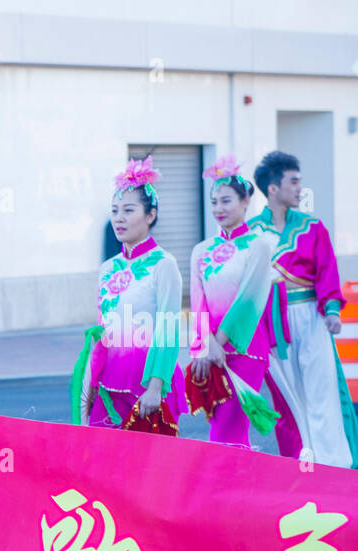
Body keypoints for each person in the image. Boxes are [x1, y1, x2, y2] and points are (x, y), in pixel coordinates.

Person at [248, 150, 358, 468]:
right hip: (271, 324)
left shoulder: (313, 227)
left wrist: (333, 311)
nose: (299, 188)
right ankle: (297, 464)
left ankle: (333, 464)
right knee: (286, 398)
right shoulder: (252, 232)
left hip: (310, 316)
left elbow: (327, 273)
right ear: (272, 189)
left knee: (322, 392)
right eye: (293, 181)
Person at [71, 157, 187, 433]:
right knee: (102, 461)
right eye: (114, 210)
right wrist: (90, 381)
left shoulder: (164, 264)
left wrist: (156, 386)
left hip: (147, 386)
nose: (119, 218)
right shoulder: (108, 268)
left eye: (128, 210)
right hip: (108, 382)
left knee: (148, 468)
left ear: (150, 215)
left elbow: (169, 329)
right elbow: (103, 329)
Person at [186, 156, 277, 449]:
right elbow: (197, 303)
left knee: (231, 425)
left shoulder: (259, 244)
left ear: (246, 200)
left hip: (244, 348)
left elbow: (248, 301)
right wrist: (203, 347)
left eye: (226, 201)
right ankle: (235, 486)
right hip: (209, 351)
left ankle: (225, 487)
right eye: (214, 202)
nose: (218, 209)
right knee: (220, 425)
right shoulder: (202, 250)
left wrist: (218, 343)